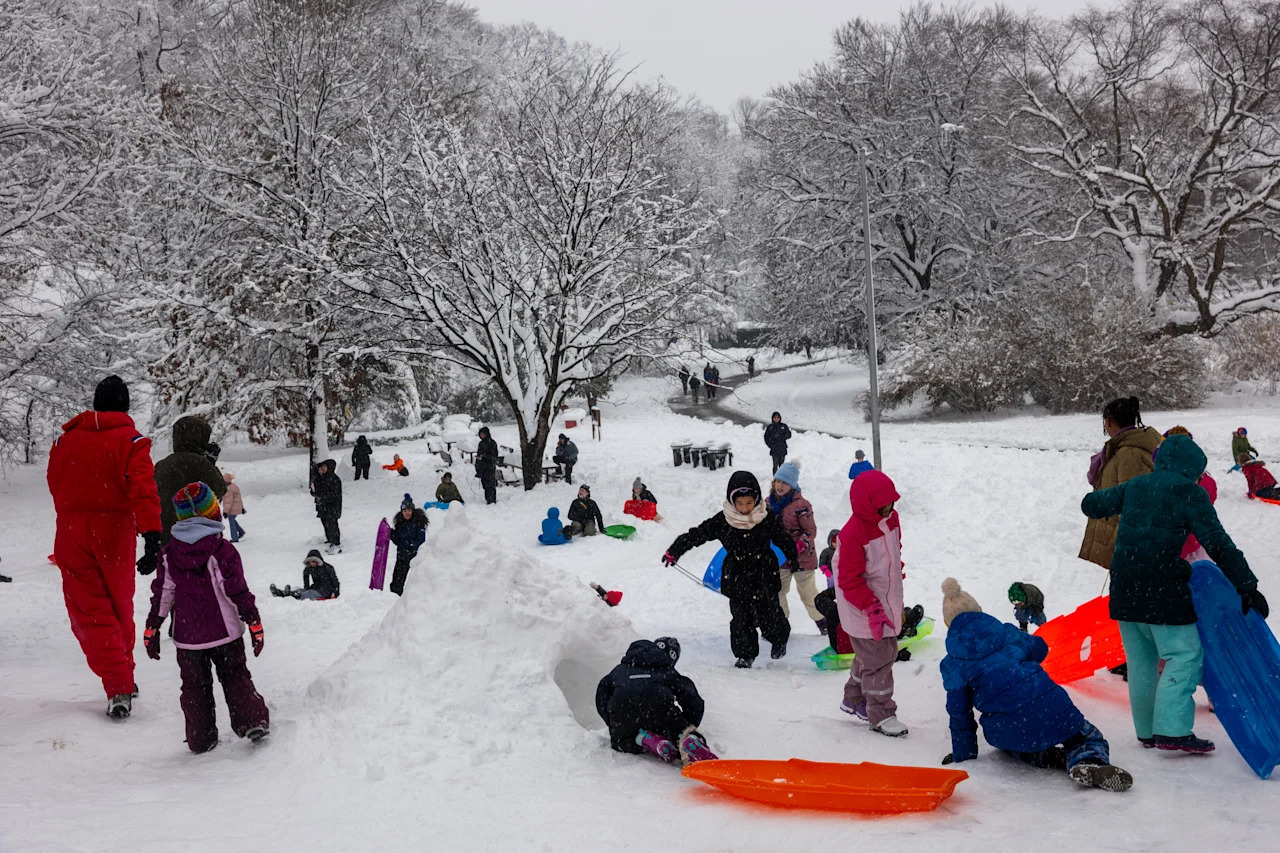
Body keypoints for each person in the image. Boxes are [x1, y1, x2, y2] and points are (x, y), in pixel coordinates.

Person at [1081, 433, 1266, 752]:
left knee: (1141, 663)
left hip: (1124, 587)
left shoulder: (1137, 485)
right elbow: (1219, 543)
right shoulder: (1190, 493)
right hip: (1162, 587)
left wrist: (1106, 496)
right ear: (1192, 469)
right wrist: (1246, 586)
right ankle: (1172, 729)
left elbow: (1092, 504)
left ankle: (1147, 731)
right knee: (1184, 654)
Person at [938, 579, 1133, 791]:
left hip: (1006, 731)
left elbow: (960, 714)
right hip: (1052, 710)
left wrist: (964, 755)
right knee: (1085, 736)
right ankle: (1088, 759)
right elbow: (1040, 649)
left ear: (949, 625)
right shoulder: (1008, 633)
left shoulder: (953, 664)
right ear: (980, 611)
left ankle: (1046, 756)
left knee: (1011, 744)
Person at [46, 375, 163, 718]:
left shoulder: (64, 441)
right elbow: (143, 489)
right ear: (125, 406)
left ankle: (119, 680)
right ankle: (122, 680)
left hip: (70, 530)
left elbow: (55, 482)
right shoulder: (131, 441)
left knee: (91, 611)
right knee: (118, 605)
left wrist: (76, 509)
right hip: (114, 531)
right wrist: (152, 535)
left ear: (96, 404)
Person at [142, 482, 268, 752]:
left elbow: (164, 594)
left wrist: (153, 626)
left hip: (188, 640)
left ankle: (200, 738)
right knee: (235, 676)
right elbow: (236, 591)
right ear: (213, 513)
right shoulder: (222, 551)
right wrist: (254, 621)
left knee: (194, 688)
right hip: (225, 634)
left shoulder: (169, 554)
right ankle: (251, 721)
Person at [662, 471, 797, 668]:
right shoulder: (723, 520)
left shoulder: (767, 517)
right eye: (740, 504)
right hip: (737, 574)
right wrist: (676, 549)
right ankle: (745, 654)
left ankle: (778, 640)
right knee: (741, 617)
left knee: (770, 613)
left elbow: (784, 539)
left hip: (764, 573)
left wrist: (793, 557)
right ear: (732, 501)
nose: (744, 508)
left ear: (757, 499)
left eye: (749, 503)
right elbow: (697, 535)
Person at [834, 470, 909, 737]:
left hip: (884, 598)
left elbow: (893, 547)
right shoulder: (852, 534)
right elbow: (848, 580)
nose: (888, 509)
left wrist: (895, 570)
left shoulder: (890, 519)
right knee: (880, 658)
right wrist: (872, 607)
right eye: (882, 505)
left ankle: (853, 697)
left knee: (874, 654)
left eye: (891, 503)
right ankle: (881, 713)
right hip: (862, 606)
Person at [594, 637, 716, 765]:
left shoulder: (619, 670)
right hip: (658, 707)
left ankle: (645, 740)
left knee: (621, 740)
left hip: (624, 709)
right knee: (675, 729)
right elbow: (690, 696)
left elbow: (601, 694)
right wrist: (688, 724)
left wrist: (613, 720)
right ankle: (687, 739)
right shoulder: (665, 670)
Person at [1079, 397, 1162, 570]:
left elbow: (1136, 506)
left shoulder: (1130, 454)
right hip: (1115, 540)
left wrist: (1121, 549)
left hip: (1123, 548)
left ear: (1108, 423)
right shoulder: (1121, 449)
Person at [154, 415, 227, 548]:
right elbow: (219, 489)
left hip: (166, 534)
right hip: (198, 535)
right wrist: (210, 464)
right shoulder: (200, 464)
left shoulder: (162, 465)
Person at [768, 462, 823, 633]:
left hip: (802, 558)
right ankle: (781, 624)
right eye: (777, 481)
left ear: (791, 485)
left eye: (784, 482)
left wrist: (799, 545)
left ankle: (824, 623)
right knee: (776, 591)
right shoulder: (767, 504)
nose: (779, 486)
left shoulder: (802, 505)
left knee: (808, 594)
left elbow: (810, 530)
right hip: (780, 558)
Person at [388, 494, 429, 596]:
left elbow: (421, 540)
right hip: (402, 557)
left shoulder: (418, 523)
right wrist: (391, 534)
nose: (407, 513)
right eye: (405, 511)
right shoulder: (400, 523)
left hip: (414, 558)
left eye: (409, 510)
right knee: (396, 584)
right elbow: (398, 540)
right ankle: (395, 601)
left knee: (415, 584)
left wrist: (412, 546)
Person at [271, 550, 341, 600]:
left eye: (313, 561)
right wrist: (306, 587)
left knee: (310, 593)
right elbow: (305, 575)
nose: (311, 563)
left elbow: (335, 581)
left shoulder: (328, 568)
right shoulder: (310, 568)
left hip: (327, 590)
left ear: (317, 561)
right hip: (316, 587)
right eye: (310, 562)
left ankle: (294, 595)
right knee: (303, 591)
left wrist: (335, 593)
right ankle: (281, 593)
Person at [312, 458, 343, 554]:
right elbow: (315, 490)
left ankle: (336, 543)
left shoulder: (335, 479)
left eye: (325, 467)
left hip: (332, 507)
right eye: (322, 467)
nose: (323, 469)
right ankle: (330, 539)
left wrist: (323, 497)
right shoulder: (320, 478)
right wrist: (315, 494)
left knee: (332, 524)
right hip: (322, 506)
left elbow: (334, 495)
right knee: (325, 522)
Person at [476, 426, 499, 504]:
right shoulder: (481, 443)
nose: (482, 435)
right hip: (482, 467)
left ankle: (492, 499)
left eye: (483, 434)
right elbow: (479, 454)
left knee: (491, 483)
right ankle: (487, 498)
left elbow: (494, 456)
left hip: (490, 466)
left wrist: (484, 457)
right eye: (480, 434)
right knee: (485, 484)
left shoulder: (492, 443)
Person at [222, 472, 246, 543]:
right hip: (236, 507)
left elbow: (229, 502)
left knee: (232, 523)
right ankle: (241, 531)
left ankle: (234, 538)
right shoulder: (234, 487)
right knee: (232, 520)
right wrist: (242, 508)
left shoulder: (229, 490)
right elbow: (239, 499)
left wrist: (225, 511)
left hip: (232, 509)